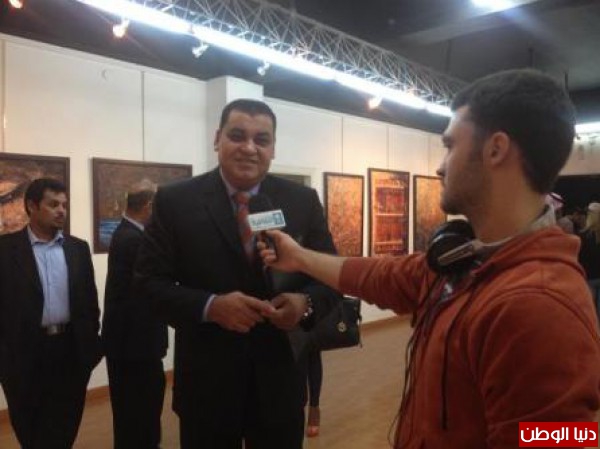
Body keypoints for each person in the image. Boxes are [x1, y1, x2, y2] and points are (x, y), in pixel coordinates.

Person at [259, 70, 600, 448]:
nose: (440, 166)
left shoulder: (543, 309)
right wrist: (298, 257)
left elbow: (561, 439)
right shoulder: (462, 260)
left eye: (450, 145)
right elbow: (378, 275)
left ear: (496, 150)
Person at [135, 98, 340, 449]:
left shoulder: (302, 201)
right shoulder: (175, 201)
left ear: (273, 148)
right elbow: (147, 284)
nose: (249, 148)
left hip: (280, 384)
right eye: (237, 135)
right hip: (207, 388)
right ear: (217, 139)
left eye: (261, 139)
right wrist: (210, 306)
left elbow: (330, 276)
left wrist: (304, 304)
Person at [0, 178, 102, 449]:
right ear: (32, 206)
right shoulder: (5, 250)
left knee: (65, 426)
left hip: (70, 351)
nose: (61, 211)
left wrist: (90, 346)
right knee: (29, 429)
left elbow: (90, 303)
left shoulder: (78, 249)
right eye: (53, 204)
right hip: (23, 354)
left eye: (64, 205)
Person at [102, 188, 168, 449]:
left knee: (134, 410)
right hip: (135, 344)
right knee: (141, 408)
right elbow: (154, 284)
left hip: (130, 342)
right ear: (149, 206)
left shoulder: (125, 234)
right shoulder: (133, 239)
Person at [578, 201, 600, 322]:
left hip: (588, 278)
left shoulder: (582, 236)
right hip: (594, 277)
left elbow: (579, 259)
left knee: (589, 314)